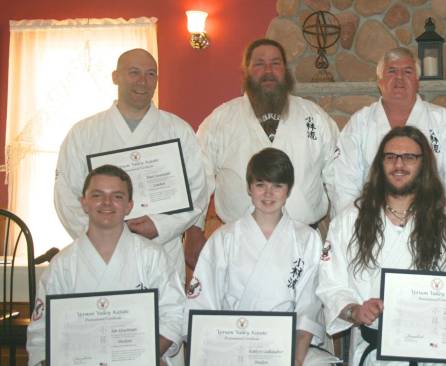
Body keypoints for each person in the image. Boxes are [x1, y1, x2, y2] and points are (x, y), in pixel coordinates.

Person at [317, 126, 446, 366]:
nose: (399, 164)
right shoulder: (349, 222)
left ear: (424, 165)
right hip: (376, 354)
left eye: (409, 157)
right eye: (390, 157)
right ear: (380, 165)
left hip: (437, 355)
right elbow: (331, 287)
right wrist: (355, 310)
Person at [54, 48, 208, 280]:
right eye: (134, 72)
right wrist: (103, 233)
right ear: (115, 77)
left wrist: (160, 225)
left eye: (150, 74)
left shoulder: (178, 130)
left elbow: (197, 190)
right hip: (100, 251)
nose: (143, 82)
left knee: (162, 314)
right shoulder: (84, 133)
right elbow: (66, 193)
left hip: (162, 248)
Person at [188, 38, 339, 268]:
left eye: (275, 63)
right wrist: (194, 229)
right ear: (246, 71)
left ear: (286, 71)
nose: (268, 71)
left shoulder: (314, 116)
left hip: (303, 242)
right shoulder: (221, 119)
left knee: (304, 304)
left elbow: (338, 177)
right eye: (259, 64)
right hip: (238, 244)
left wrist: (343, 228)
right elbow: (199, 176)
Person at [28, 165, 185, 366]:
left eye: (117, 196)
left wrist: (145, 357)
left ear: (129, 205)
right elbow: (41, 333)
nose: (107, 202)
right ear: (84, 203)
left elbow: (173, 316)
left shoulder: (153, 257)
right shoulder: (62, 265)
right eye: (97, 195)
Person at [185, 148, 326, 366]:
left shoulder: (307, 239)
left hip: (288, 344)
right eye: (261, 185)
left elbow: (309, 305)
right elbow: (204, 303)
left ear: (288, 190)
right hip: (231, 344)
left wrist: (296, 358)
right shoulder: (224, 238)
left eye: (277, 186)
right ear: (249, 188)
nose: (268, 194)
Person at [331, 47, 446, 218]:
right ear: (380, 81)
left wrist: (445, 227)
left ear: (418, 81)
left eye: (407, 72)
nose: (399, 78)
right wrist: (357, 226)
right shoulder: (360, 124)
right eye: (391, 71)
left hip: (430, 224)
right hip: (373, 225)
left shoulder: (445, 122)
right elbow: (344, 184)